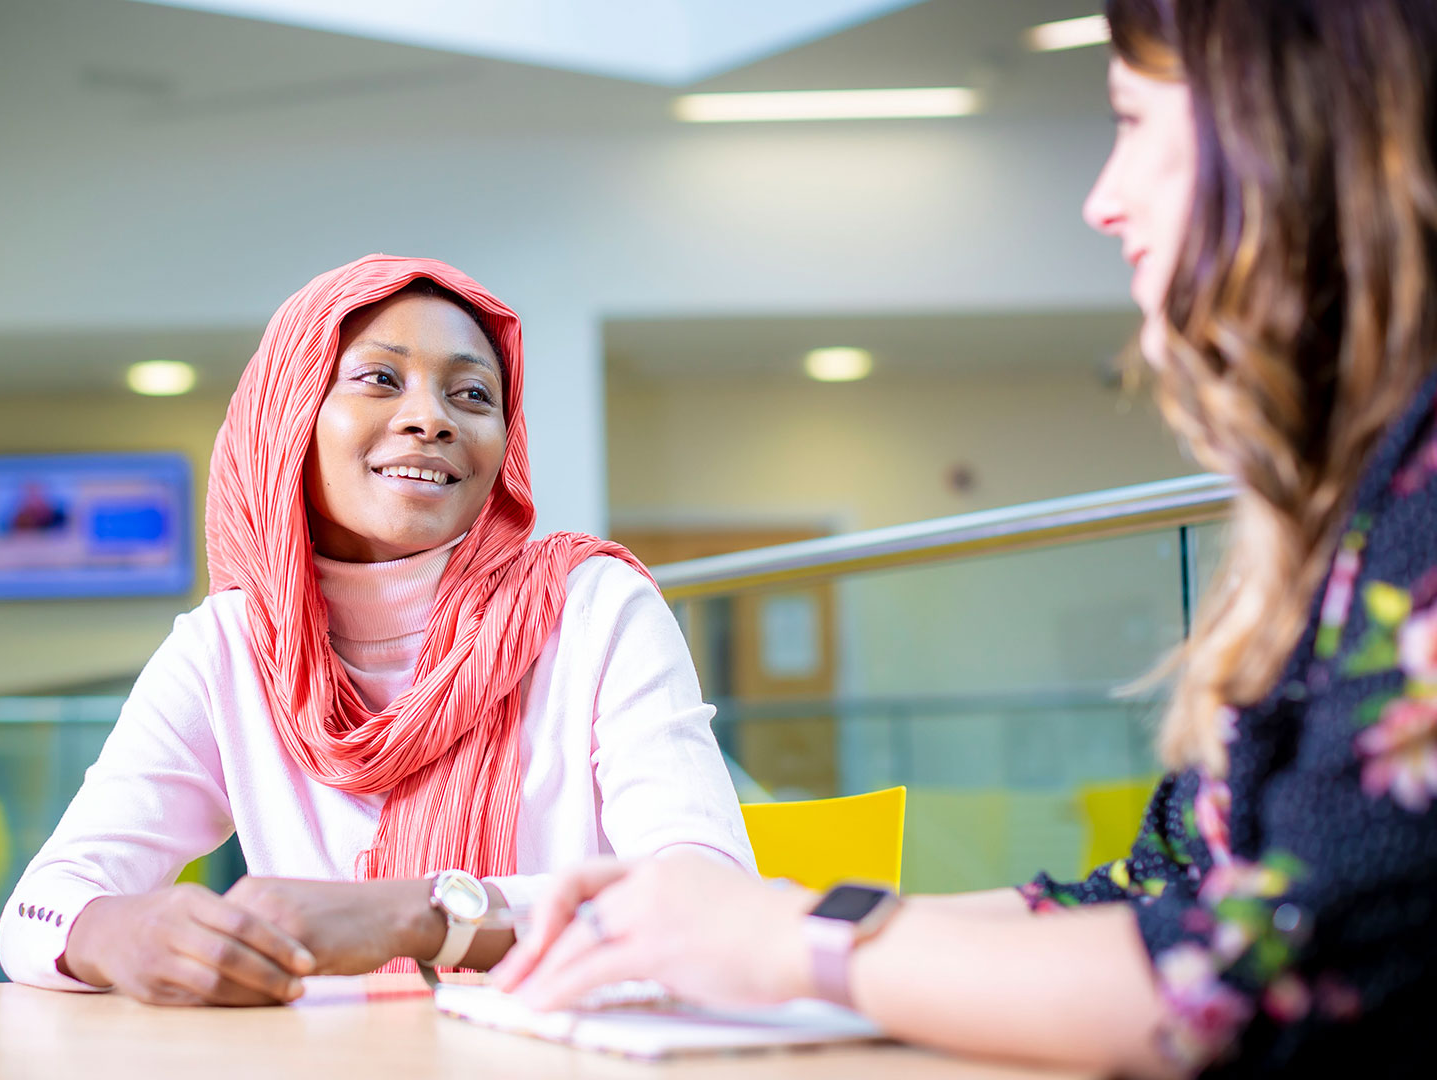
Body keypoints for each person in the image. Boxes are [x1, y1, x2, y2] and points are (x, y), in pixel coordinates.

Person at [493, 1, 1437, 1076]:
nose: (1100, 200)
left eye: (1131, 121)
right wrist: (782, 920)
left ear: (1287, 136)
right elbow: (1156, 893)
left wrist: (795, 943)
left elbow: (1261, 978)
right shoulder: (1357, 497)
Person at [0, 255, 752, 1005]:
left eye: (473, 394)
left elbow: (706, 899)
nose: (432, 417)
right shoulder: (228, 647)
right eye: (380, 379)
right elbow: (43, 907)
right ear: (286, 412)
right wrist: (110, 930)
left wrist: (417, 916)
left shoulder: (592, 609)